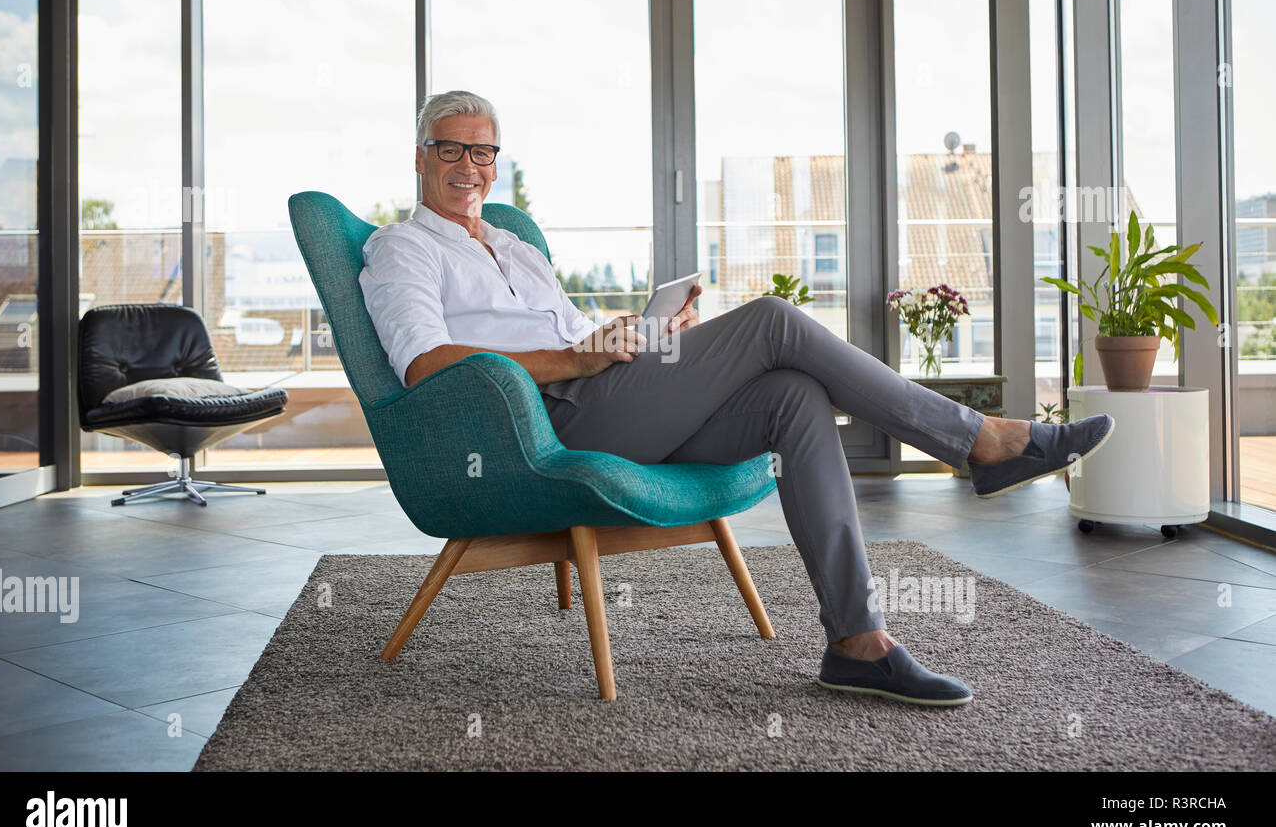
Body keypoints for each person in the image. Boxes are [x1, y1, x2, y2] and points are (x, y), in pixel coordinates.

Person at [359, 90, 1114, 707]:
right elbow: (426, 364)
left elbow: (579, 339)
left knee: (791, 393)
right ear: (421, 156)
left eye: (482, 151)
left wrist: (653, 337)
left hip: (607, 398)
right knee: (776, 321)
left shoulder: (516, 246)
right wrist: (574, 357)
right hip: (542, 429)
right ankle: (979, 440)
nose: (469, 166)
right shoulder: (402, 250)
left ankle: (858, 641)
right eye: (451, 149)